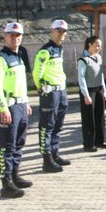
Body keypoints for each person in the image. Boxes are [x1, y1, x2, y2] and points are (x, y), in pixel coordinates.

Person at [0, 22, 33, 198]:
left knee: (19, 143)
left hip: (21, 105)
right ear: (4, 36)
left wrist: (27, 102)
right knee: (6, 146)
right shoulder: (0, 59)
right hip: (8, 107)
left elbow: (21, 84)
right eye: (11, 35)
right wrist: (3, 108)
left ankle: (15, 175)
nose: (15, 38)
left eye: (18, 35)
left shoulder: (19, 56)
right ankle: (6, 183)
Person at [33, 19, 69, 173]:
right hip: (50, 92)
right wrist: (41, 88)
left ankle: (54, 153)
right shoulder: (45, 51)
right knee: (47, 126)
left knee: (58, 125)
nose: (61, 33)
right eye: (58, 30)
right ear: (52, 31)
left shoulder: (59, 49)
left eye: (64, 31)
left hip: (61, 91)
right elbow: (37, 73)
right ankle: (46, 160)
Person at [77, 36, 106, 152]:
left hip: (99, 89)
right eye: (96, 45)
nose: (99, 48)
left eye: (100, 46)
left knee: (100, 117)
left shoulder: (98, 57)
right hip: (89, 91)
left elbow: (101, 75)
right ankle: (88, 144)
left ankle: (99, 141)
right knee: (89, 118)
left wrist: (103, 90)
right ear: (89, 44)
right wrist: (86, 94)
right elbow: (81, 78)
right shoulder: (83, 59)